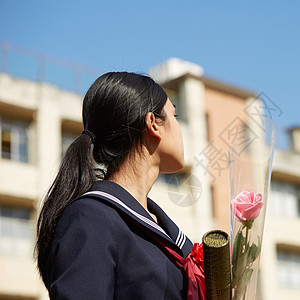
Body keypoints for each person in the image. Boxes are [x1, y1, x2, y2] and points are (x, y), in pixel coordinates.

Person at [35, 72, 204, 299]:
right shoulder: (92, 217)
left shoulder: (158, 228)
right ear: (153, 124)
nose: (179, 127)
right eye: (175, 115)